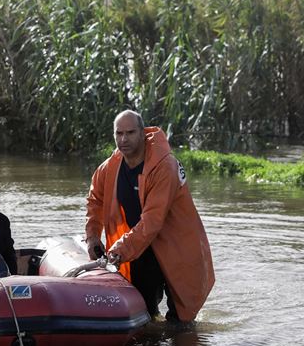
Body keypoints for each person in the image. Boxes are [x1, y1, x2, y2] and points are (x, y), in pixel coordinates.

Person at [85, 110, 214, 323]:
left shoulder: (165, 167)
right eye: (119, 133)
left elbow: (153, 220)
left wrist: (119, 249)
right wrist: (92, 236)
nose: (124, 139)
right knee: (145, 317)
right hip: (140, 248)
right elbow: (94, 200)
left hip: (176, 247)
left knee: (181, 323)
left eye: (130, 133)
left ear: (143, 133)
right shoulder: (110, 167)